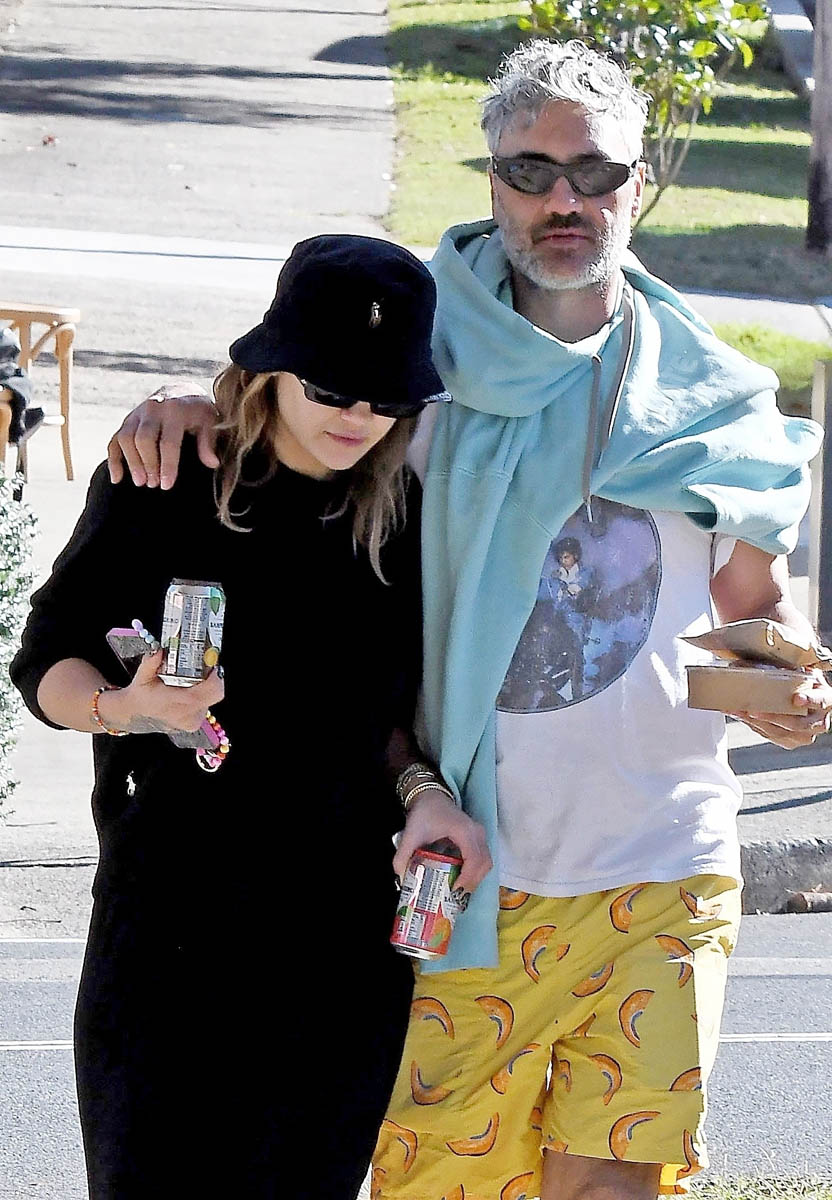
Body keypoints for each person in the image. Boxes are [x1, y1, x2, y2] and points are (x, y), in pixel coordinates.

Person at [104, 40, 832, 1200]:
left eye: (595, 173)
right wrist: (185, 400)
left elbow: (747, 614)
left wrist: (786, 689)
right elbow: (286, 407)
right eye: (531, 171)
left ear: (638, 182)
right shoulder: (416, 365)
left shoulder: (713, 400)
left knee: (611, 1185)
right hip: (459, 866)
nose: (563, 200)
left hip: (663, 862)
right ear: (492, 180)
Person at [10, 234, 491, 1200]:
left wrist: (424, 793)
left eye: (387, 399)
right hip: (170, 925)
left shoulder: (402, 512)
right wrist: (123, 707)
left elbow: (382, 722)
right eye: (333, 389)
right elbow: (45, 661)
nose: (359, 418)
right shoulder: (164, 475)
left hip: (340, 943)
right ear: (271, 366)